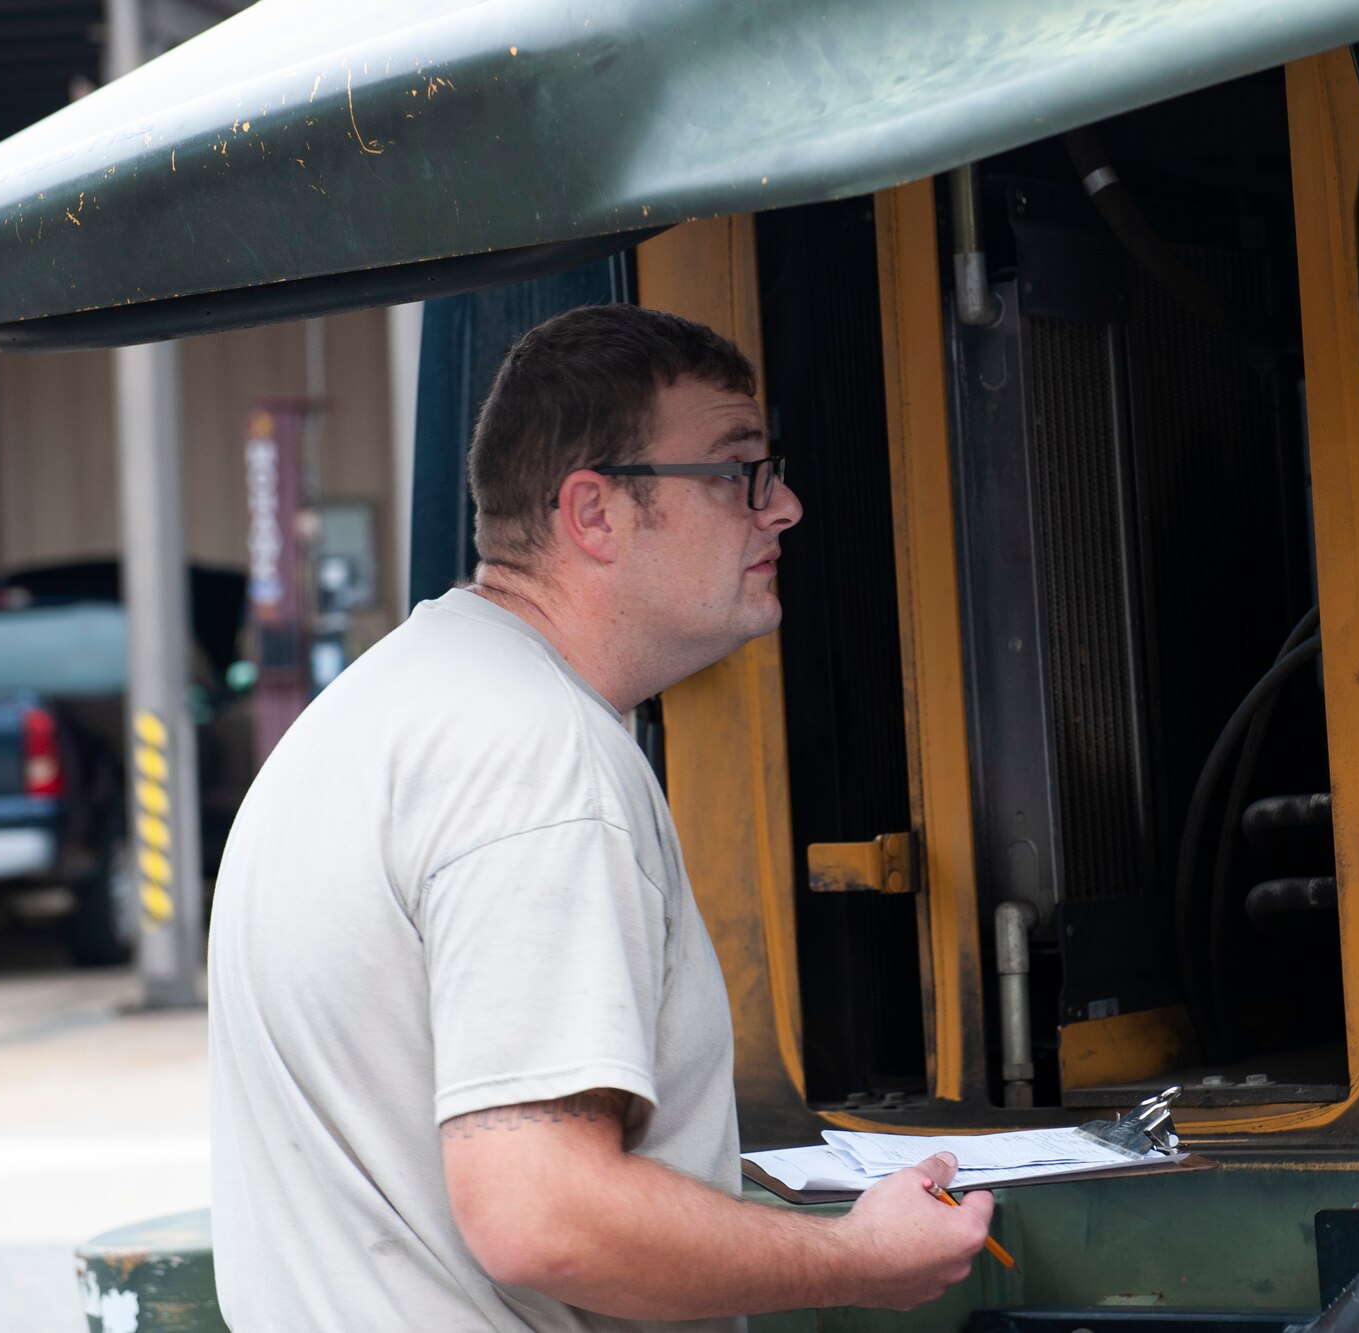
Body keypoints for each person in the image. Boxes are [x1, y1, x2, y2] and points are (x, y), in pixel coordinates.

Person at [208, 303, 993, 1331]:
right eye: (736, 471)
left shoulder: (383, 707)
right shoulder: (539, 759)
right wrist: (853, 1255)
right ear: (593, 513)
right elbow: (544, 1216)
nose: (784, 506)